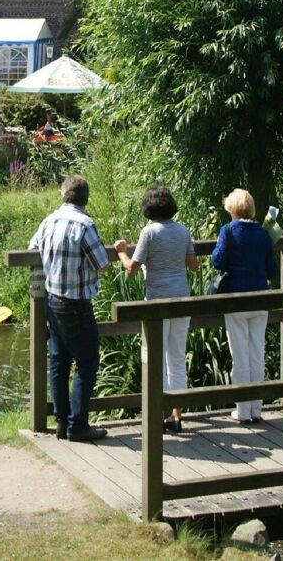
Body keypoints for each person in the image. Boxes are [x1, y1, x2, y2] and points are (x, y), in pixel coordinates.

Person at [29, 176, 111, 443]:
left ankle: (62, 422)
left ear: (63, 195)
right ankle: (78, 425)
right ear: (85, 199)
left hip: (52, 301)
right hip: (76, 303)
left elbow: (32, 251)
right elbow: (101, 263)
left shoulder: (48, 221)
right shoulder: (85, 225)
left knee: (59, 362)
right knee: (87, 363)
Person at [115, 186, 197, 434]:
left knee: (156, 359)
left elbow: (132, 269)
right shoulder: (183, 231)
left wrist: (121, 252)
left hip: (157, 303)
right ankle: (177, 416)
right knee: (176, 358)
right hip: (181, 300)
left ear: (148, 209)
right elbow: (193, 266)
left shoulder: (148, 233)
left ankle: (158, 416)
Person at [210, 188, 278, 424]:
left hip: (237, 299)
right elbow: (272, 270)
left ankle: (242, 410)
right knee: (257, 353)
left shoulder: (228, 231)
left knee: (239, 356)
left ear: (233, 209)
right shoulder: (263, 234)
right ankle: (256, 409)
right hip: (260, 299)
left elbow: (217, 260)